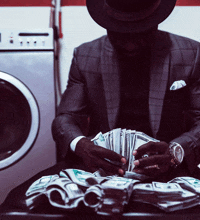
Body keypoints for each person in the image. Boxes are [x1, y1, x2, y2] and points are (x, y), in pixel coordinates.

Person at [52, 0, 200, 181]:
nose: (131, 44)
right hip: (103, 166)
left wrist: (176, 151)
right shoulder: (84, 56)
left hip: (167, 166)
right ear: (106, 24)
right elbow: (64, 119)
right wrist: (81, 145)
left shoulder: (190, 54)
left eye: (141, 33)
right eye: (119, 33)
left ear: (156, 23)